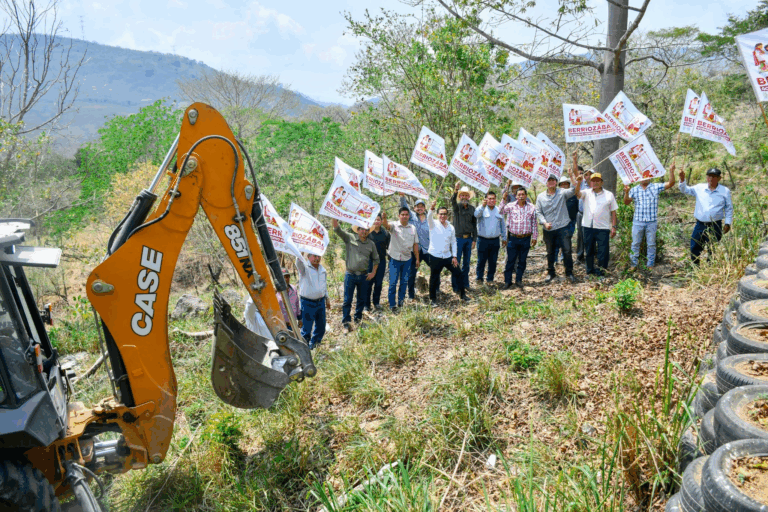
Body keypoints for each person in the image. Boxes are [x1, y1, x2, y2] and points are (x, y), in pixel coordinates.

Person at [622, 165, 676, 270]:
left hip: (651, 221)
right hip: (638, 221)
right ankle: (633, 264)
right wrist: (627, 192)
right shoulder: (634, 189)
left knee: (651, 244)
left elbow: (671, 183)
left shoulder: (656, 187)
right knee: (635, 243)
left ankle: (650, 264)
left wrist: (671, 171)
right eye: (642, 175)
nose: (644, 177)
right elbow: (626, 202)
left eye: (646, 175)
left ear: (650, 176)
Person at [677, 167, 733, 265]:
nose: (711, 179)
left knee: (713, 247)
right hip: (700, 224)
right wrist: (682, 179)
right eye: (709, 176)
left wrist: (728, 223)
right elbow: (685, 190)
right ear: (706, 177)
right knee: (694, 246)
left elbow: (728, 208)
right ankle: (695, 266)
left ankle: (711, 268)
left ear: (719, 178)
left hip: (715, 225)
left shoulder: (725, 191)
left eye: (714, 177)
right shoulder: (700, 188)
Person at [333, 219, 379, 332]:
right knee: (347, 300)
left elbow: (376, 260)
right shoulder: (350, 238)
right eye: (362, 229)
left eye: (366, 229)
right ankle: (346, 323)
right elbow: (337, 229)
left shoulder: (371, 244)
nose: (364, 231)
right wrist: (334, 216)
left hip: (363, 276)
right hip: (350, 275)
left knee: (361, 299)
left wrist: (373, 273)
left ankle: (358, 320)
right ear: (358, 230)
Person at [535, 168, 579, 283]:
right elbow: (538, 212)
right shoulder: (540, 197)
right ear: (546, 183)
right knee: (550, 252)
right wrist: (544, 222)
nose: (551, 183)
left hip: (563, 227)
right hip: (548, 229)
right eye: (549, 181)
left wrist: (571, 175)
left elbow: (574, 189)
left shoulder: (562, 192)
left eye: (553, 180)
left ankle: (569, 272)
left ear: (556, 182)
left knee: (567, 250)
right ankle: (551, 272)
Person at [574, 171, 618, 277]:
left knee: (603, 251)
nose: (595, 183)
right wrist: (579, 183)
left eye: (597, 181)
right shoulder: (586, 192)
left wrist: (614, 226)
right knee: (589, 249)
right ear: (590, 182)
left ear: (602, 182)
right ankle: (590, 271)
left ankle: (602, 271)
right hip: (588, 226)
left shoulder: (609, 195)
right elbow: (577, 194)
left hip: (602, 227)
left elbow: (613, 211)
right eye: (593, 181)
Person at [427, 202, 468, 306]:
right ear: (437, 215)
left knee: (458, 272)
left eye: (445, 214)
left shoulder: (451, 227)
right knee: (434, 277)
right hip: (435, 255)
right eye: (441, 214)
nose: (443, 216)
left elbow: (453, 242)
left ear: (447, 215)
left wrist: (454, 256)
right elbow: (428, 218)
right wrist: (431, 209)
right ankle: (432, 299)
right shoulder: (433, 224)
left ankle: (463, 294)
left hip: (447, 256)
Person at [382, 207, 419, 311]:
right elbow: (386, 225)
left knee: (404, 282)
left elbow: (415, 244)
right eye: (402, 214)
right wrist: (384, 218)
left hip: (407, 259)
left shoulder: (413, 228)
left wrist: (417, 258)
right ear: (399, 216)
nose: (404, 216)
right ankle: (392, 305)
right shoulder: (394, 225)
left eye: (406, 214)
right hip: (394, 259)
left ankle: (401, 303)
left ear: (409, 216)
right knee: (393, 282)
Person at [500, 187, 538, 288]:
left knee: (522, 260)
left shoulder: (531, 207)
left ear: (526, 196)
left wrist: (535, 236)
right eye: (519, 195)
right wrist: (503, 199)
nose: (521, 196)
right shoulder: (510, 206)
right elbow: (500, 212)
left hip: (526, 238)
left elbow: (534, 223)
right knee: (510, 260)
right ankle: (507, 281)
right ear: (516, 196)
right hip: (513, 238)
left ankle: (519, 280)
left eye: (523, 194)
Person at [400, 193, 432, 299]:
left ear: (424, 208)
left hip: (428, 250)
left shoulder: (429, 219)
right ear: (415, 208)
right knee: (412, 273)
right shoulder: (412, 218)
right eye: (418, 207)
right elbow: (404, 208)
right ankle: (411, 294)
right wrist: (402, 197)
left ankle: (435, 289)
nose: (420, 208)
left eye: (422, 206)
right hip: (415, 250)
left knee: (435, 269)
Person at [295, 253, 329, 350]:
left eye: (319, 256)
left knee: (321, 325)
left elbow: (324, 285)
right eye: (314, 256)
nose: (317, 258)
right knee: (307, 328)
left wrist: (327, 298)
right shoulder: (304, 268)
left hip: (320, 302)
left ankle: (315, 344)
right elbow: (298, 263)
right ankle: (304, 348)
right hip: (307, 303)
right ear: (308, 257)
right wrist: (299, 252)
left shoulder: (323, 270)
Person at [474, 190, 505, 284]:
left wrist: (504, 238)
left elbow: (502, 225)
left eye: (493, 199)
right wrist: (482, 206)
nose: (491, 200)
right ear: (486, 199)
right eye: (489, 198)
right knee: (481, 260)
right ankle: (479, 278)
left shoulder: (499, 210)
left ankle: (490, 279)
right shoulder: (481, 209)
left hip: (495, 240)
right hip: (482, 240)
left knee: (493, 261)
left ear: (496, 200)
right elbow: (476, 215)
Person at [451, 182, 477, 292]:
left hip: (468, 239)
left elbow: (474, 225)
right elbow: (452, 201)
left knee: (466, 263)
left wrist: (474, 239)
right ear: (460, 196)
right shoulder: (457, 207)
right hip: (457, 239)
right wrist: (456, 190)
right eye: (462, 195)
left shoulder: (472, 209)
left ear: (469, 197)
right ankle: (456, 286)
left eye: (467, 195)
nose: (465, 197)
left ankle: (466, 284)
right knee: (456, 262)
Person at [363, 214, 390, 311]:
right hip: (369, 261)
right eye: (374, 220)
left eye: (378, 220)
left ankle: (376, 302)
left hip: (381, 261)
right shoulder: (368, 233)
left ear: (382, 221)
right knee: (368, 282)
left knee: (379, 283)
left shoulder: (385, 233)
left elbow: (389, 247)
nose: (376, 222)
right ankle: (366, 305)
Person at [555, 174, 578, 263]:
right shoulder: (556, 195)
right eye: (562, 184)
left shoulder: (574, 195)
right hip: (559, 222)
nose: (564, 186)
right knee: (557, 241)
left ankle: (564, 257)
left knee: (567, 239)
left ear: (569, 185)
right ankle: (555, 259)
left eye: (566, 184)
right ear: (559, 186)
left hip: (571, 221)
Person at [575, 168, 593, 262]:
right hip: (581, 214)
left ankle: (591, 255)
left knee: (591, 235)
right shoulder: (581, 184)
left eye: (590, 174)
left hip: (592, 215)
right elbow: (577, 191)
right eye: (586, 174)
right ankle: (580, 256)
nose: (588, 176)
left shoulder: (596, 186)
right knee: (580, 235)